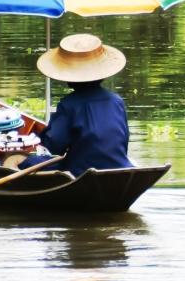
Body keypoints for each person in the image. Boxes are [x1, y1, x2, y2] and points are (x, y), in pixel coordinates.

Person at [14, 34, 134, 176]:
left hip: (80, 172)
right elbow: (123, 141)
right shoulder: (117, 101)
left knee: (20, 161)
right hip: (119, 167)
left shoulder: (69, 104)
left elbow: (53, 146)